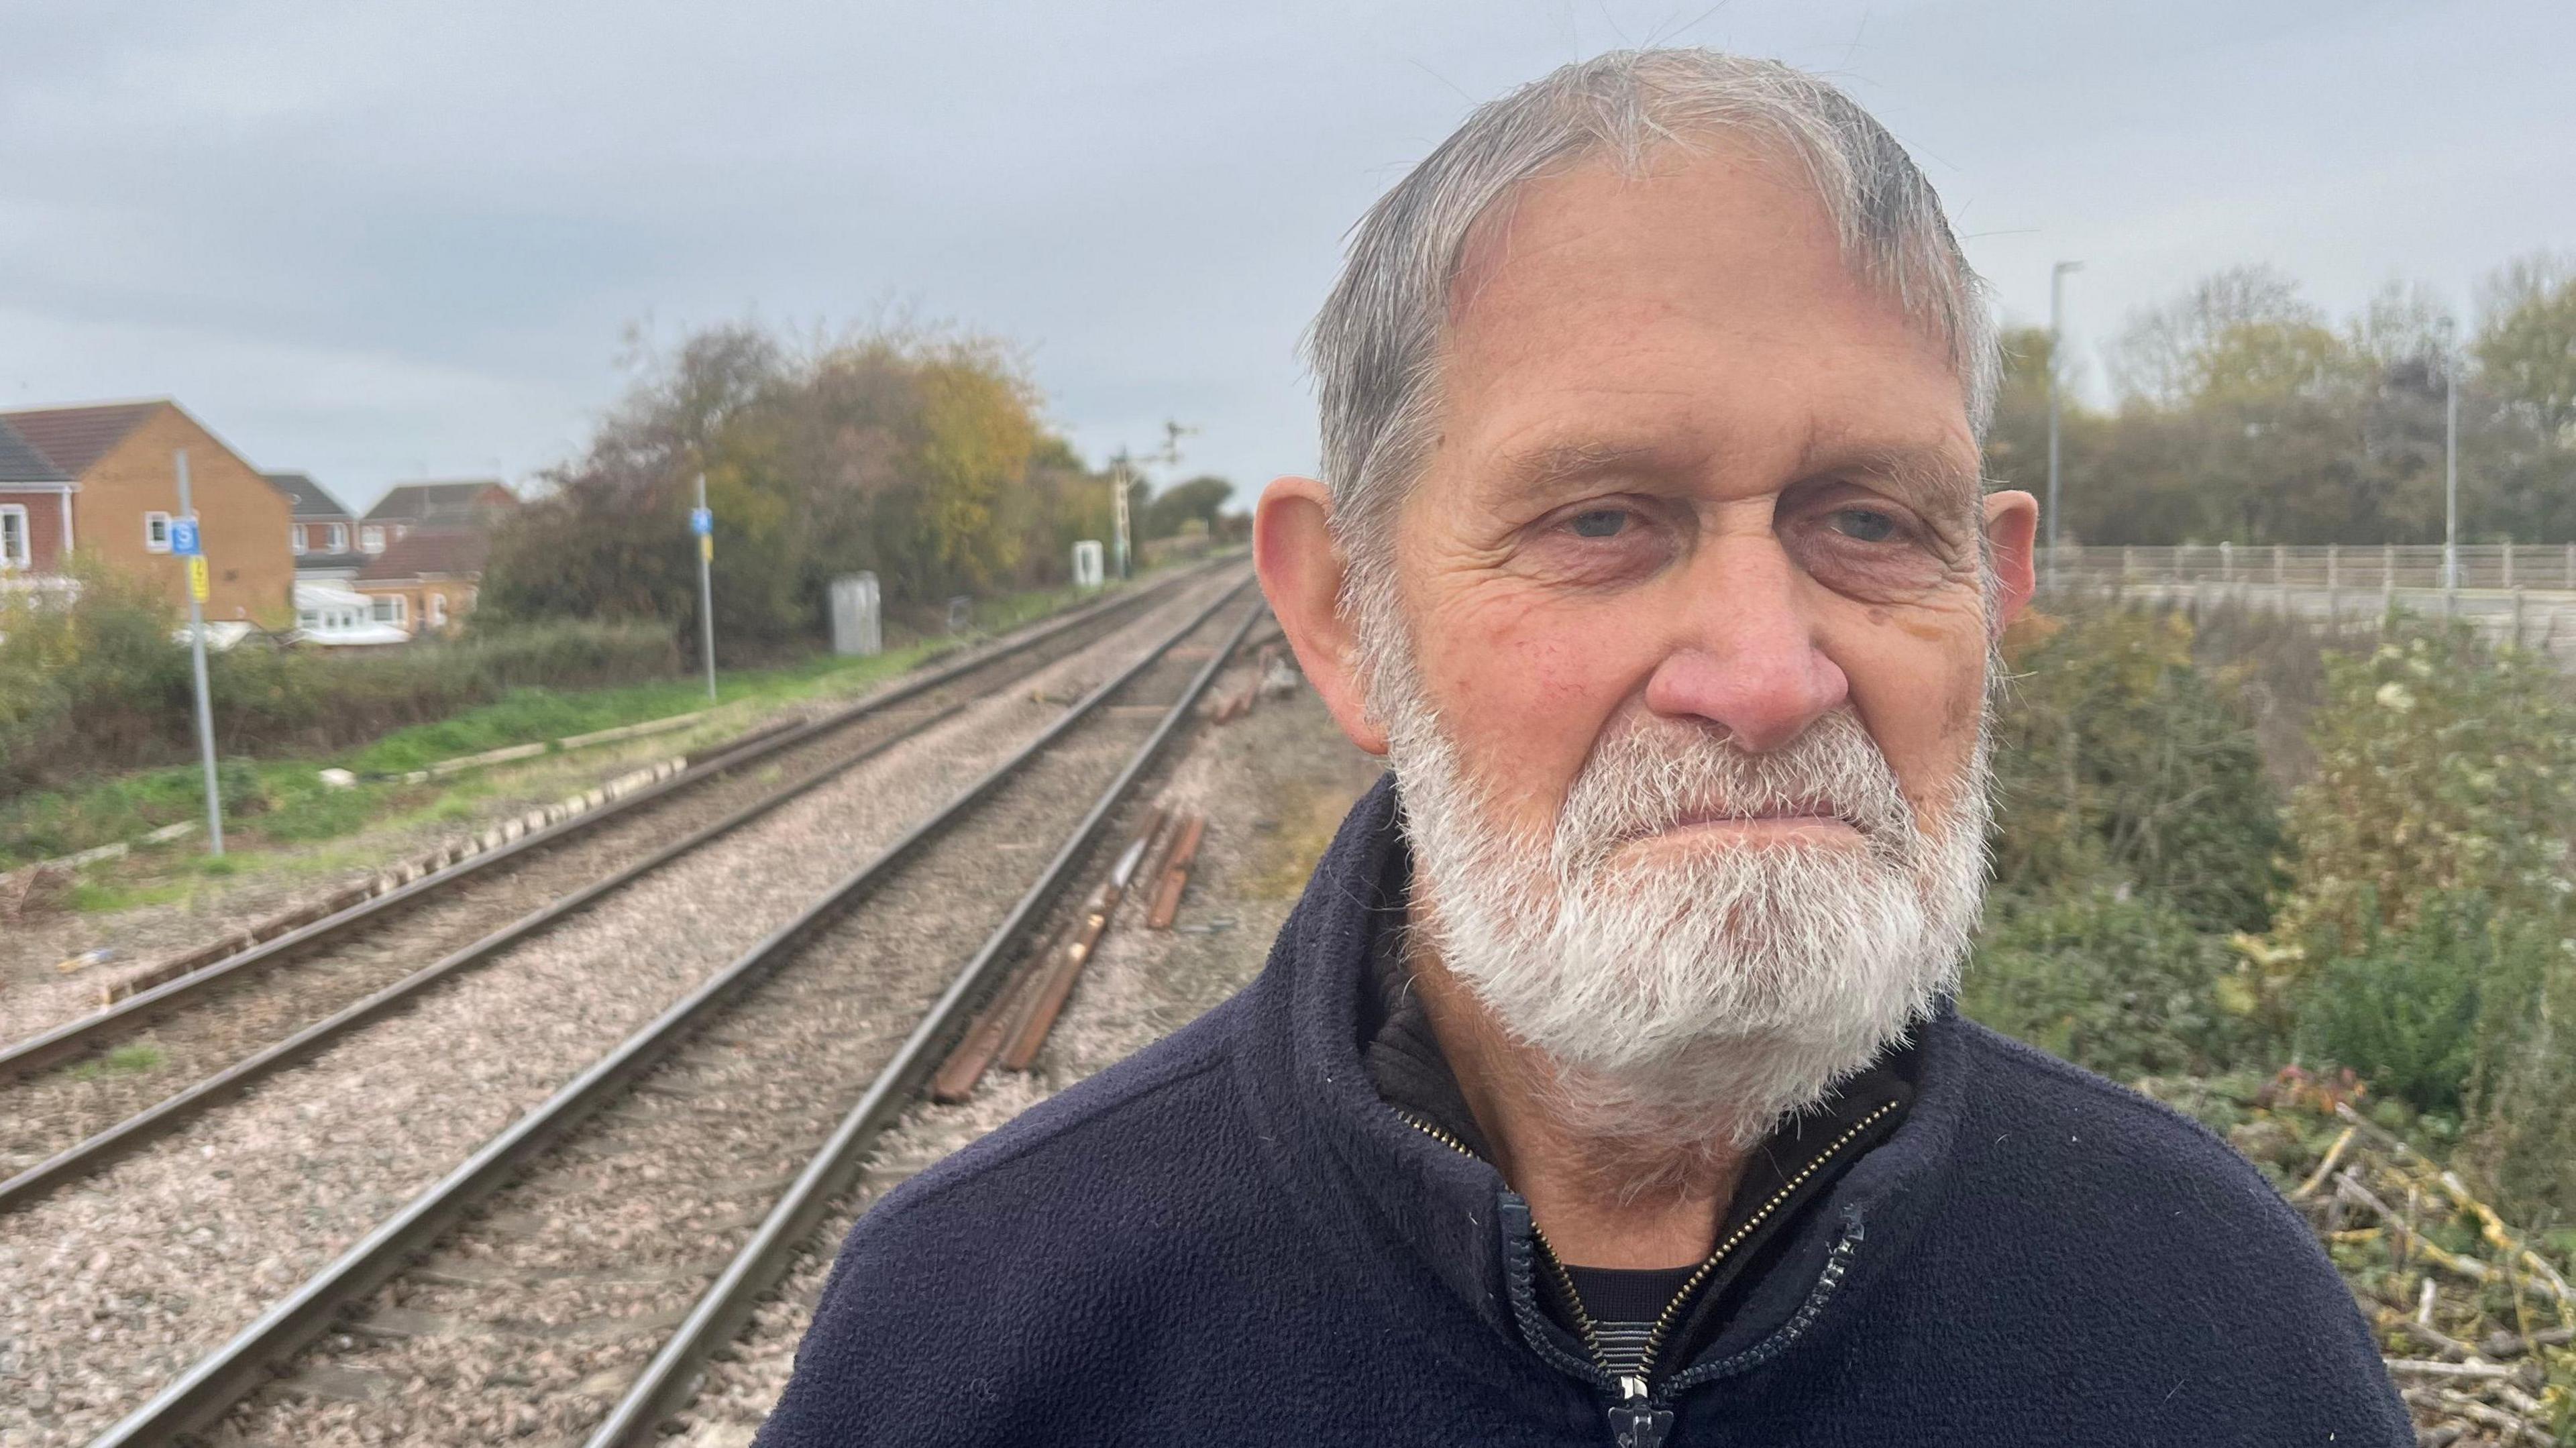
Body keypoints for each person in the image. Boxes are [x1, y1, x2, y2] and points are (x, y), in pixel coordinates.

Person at [757, 49, 2410, 1447]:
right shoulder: (977, 1348)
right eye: (1604, 518)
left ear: (1994, 592)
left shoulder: (2220, 1327)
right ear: (1344, 620)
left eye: (1868, 522)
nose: (1766, 677)